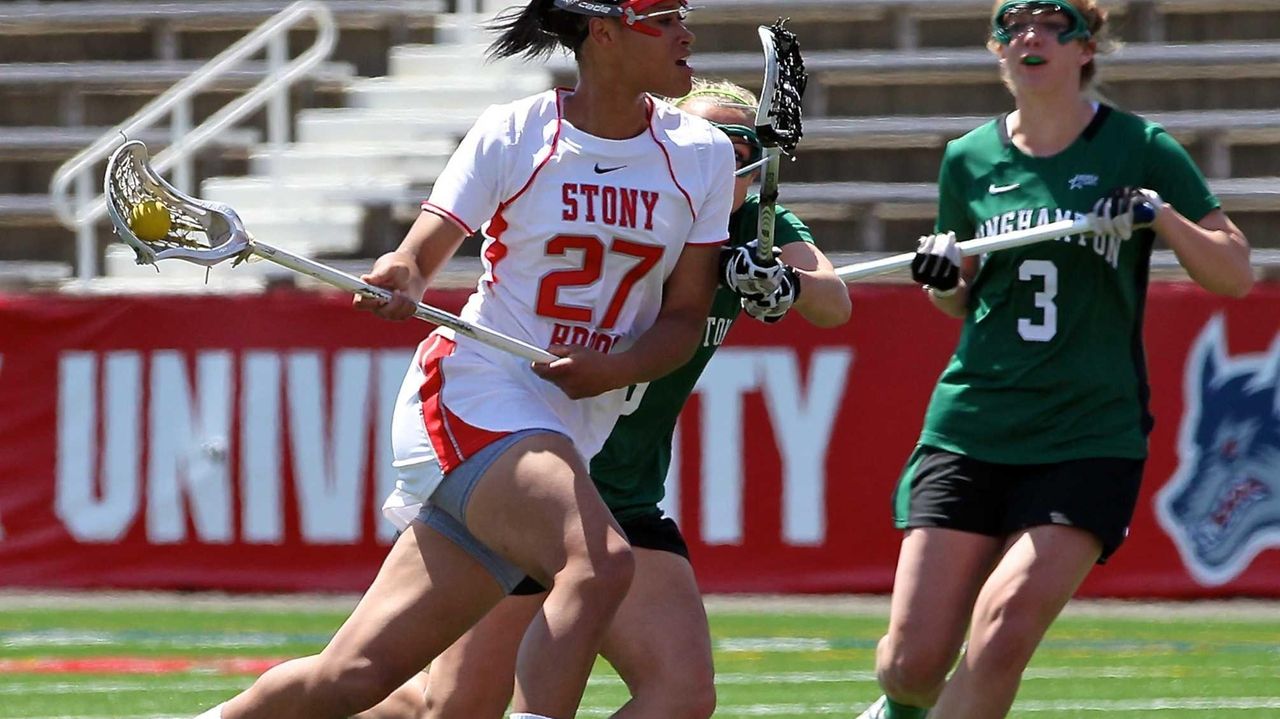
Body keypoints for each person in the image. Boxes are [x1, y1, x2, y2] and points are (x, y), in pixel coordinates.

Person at [191, 2, 737, 719]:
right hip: (476, 392)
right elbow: (420, 255)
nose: (685, 34)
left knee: (354, 676)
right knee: (597, 561)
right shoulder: (516, 131)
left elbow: (683, 318)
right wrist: (401, 277)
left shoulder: (702, 153)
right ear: (603, 33)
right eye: (664, 19)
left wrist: (617, 368)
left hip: (570, 423)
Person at [357, 79, 852, 719]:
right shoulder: (648, 204)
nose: (723, 161)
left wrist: (781, 281)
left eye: (741, 148)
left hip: (627, 492)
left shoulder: (757, 229)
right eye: (711, 141)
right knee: (449, 707)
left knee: (682, 694)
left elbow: (832, 300)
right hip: (537, 477)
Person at [857, 1, 1253, 718]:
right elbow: (962, 298)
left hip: (1087, 433)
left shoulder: (1140, 146)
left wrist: (1159, 213)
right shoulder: (968, 158)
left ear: (1086, 48)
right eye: (1015, 26)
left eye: (1052, 24)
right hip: (973, 424)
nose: (1031, 38)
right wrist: (943, 279)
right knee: (909, 666)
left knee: (1003, 631)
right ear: (996, 50)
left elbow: (1233, 270)